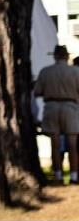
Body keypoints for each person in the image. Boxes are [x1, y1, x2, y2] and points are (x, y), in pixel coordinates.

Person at [34, 45, 79, 183]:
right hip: (70, 107)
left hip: (51, 107)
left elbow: (37, 91)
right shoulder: (75, 71)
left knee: (55, 144)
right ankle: (73, 175)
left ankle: (58, 175)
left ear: (55, 56)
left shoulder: (45, 72)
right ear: (66, 56)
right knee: (72, 144)